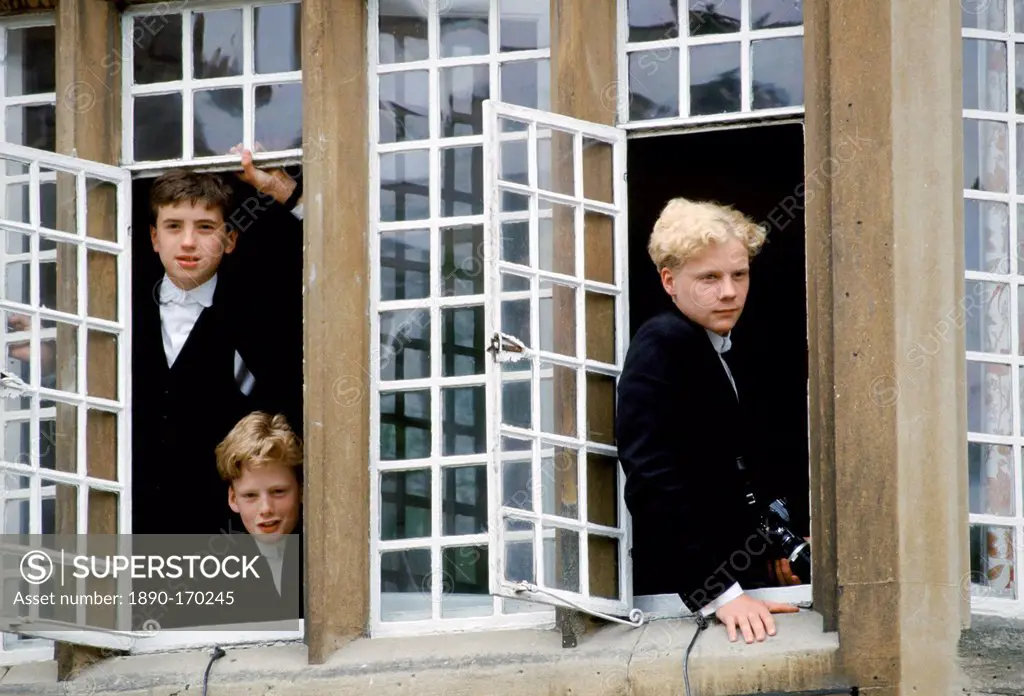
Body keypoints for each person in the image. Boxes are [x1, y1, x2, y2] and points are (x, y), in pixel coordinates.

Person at [615, 197, 803, 645]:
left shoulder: (713, 344)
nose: (729, 292)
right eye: (709, 278)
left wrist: (780, 541)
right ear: (669, 281)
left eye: (739, 274)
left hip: (737, 583)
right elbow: (650, 478)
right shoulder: (662, 341)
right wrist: (719, 593)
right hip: (682, 604)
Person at [131, 154, 304, 537]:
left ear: (230, 239)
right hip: (132, 535)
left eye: (206, 227)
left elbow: (337, 258)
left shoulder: (264, 314)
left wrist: (283, 192)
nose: (189, 242)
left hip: (232, 541)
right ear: (154, 238)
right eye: (174, 227)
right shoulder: (119, 311)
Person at [214, 411, 303, 623]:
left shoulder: (323, 558)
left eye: (278, 492)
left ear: (301, 491)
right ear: (233, 498)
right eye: (250, 496)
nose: (266, 508)